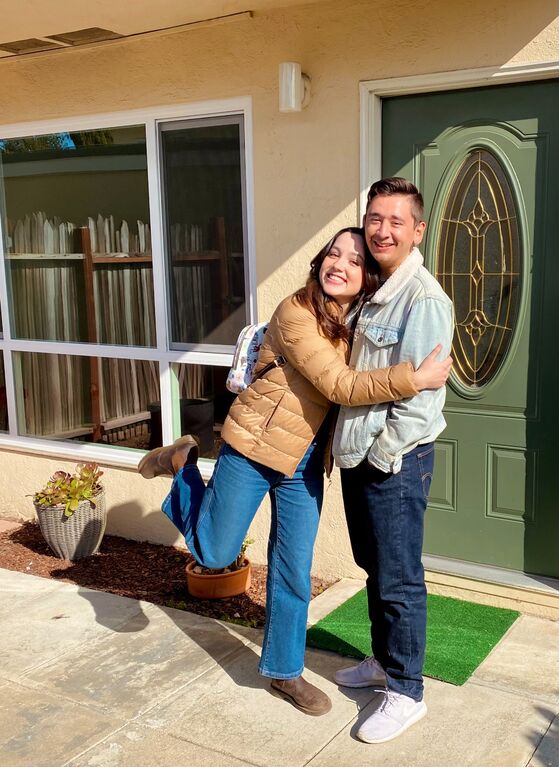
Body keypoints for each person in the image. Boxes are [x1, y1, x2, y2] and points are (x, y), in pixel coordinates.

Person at [137, 226, 451, 717]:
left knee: (292, 570)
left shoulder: (362, 322)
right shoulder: (295, 312)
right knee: (213, 551)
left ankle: (284, 671)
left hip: (305, 461)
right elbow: (341, 385)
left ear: (367, 277)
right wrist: (416, 378)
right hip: (254, 444)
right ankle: (181, 463)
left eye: (353, 260)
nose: (339, 264)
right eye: (333, 253)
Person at [332, 179, 454, 743]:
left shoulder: (423, 299)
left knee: (399, 579)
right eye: (374, 219)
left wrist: (381, 457)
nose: (382, 230)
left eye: (395, 221)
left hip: (395, 461)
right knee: (375, 567)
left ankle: (407, 692)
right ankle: (383, 661)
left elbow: (420, 401)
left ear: (417, 230)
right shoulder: (376, 288)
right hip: (360, 455)